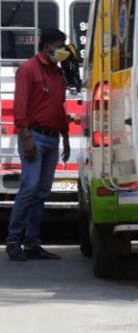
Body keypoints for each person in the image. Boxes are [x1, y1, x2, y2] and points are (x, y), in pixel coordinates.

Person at [6, 28, 72, 261]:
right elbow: (20, 106)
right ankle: (14, 241)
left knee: (41, 192)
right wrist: (26, 137)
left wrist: (65, 137)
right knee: (30, 188)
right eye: (60, 46)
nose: (63, 51)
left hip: (52, 138)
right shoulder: (28, 69)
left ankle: (32, 243)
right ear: (47, 47)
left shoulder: (57, 72)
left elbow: (59, 107)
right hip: (33, 137)